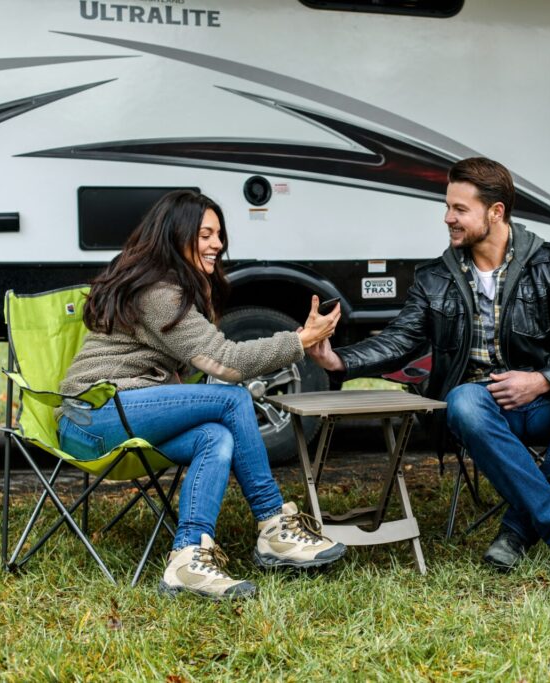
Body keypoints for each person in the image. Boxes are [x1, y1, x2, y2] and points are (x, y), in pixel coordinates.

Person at [308, 157, 550, 581]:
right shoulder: (435, 277)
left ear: (495, 212)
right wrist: (338, 360)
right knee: (463, 399)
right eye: (447, 207)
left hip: (549, 402)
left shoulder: (548, 264)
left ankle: (518, 529)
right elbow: (402, 339)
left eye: (459, 209)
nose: (447, 218)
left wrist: (541, 380)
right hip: (483, 413)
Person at [56, 189, 346, 600]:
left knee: (217, 436)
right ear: (175, 235)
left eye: (219, 234)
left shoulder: (173, 287)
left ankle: (188, 558)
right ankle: (272, 524)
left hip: (123, 414)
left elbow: (203, 360)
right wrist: (298, 340)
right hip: (91, 417)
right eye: (206, 234)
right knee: (232, 397)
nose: (218, 244)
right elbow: (225, 363)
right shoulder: (157, 292)